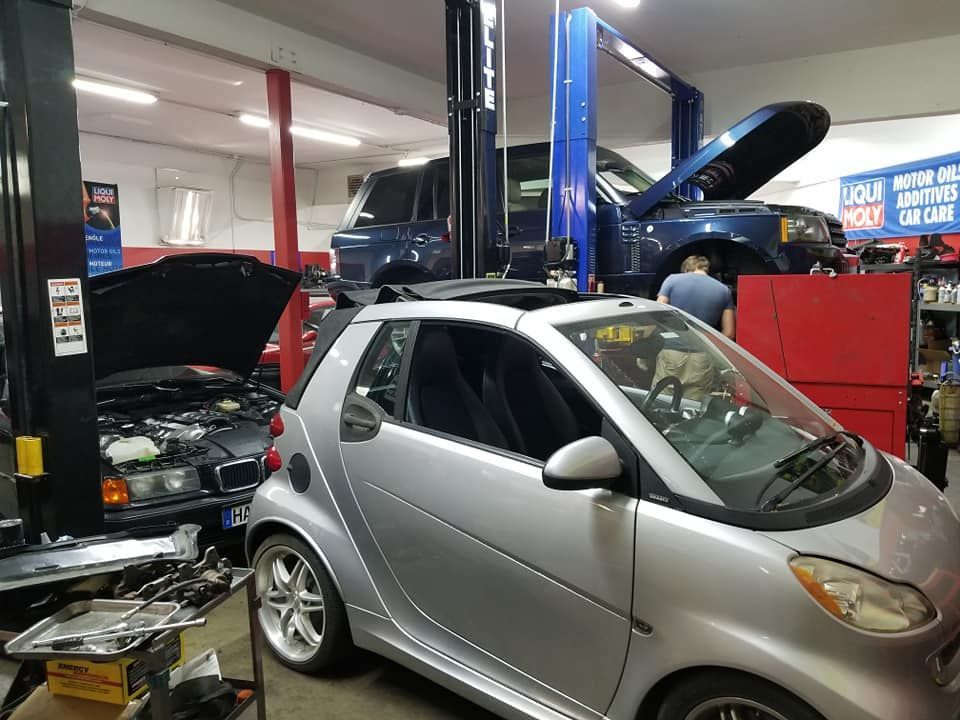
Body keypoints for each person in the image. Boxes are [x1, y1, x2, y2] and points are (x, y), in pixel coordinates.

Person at [656, 255, 735, 340]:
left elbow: (656, 313)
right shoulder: (724, 290)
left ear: (686, 269)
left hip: (672, 346)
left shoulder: (672, 279)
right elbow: (729, 333)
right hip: (705, 349)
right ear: (706, 269)